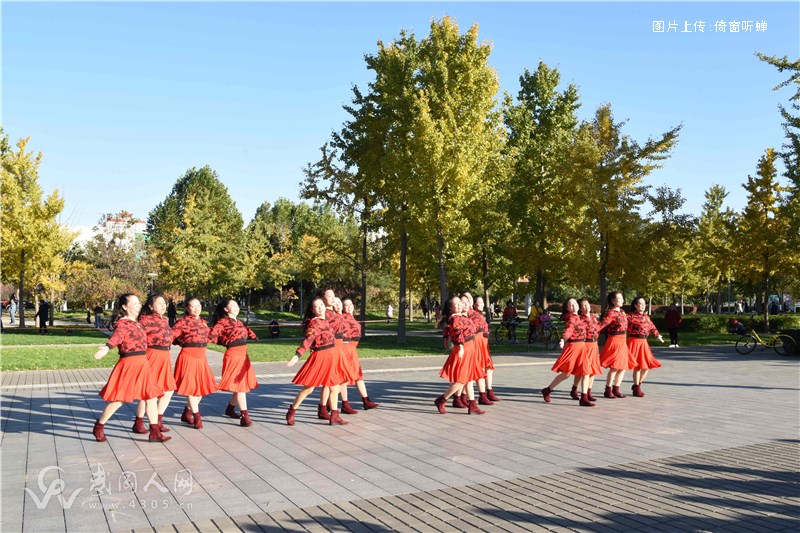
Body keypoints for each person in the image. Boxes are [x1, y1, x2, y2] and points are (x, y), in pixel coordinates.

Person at [91, 293, 170, 443]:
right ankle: (99, 425)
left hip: (143, 363)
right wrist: (107, 348)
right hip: (129, 364)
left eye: (139, 303)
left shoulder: (138, 323)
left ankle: (154, 432)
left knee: (151, 397)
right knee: (119, 399)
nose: (138, 305)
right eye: (134, 303)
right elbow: (117, 337)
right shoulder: (123, 323)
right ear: (125, 307)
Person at [285, 296, 346, 426]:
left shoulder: (327, 320)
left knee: (334, 387)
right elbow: (308, 340)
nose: (320, 308)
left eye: (321, 305)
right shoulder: (315, 323)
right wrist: (297, 356)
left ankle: (334, 415)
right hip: (320, 357)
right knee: (309, 388)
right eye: (317, 306)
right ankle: (292, 411)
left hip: (330, 356)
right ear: (313, 310)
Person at [209, 298, 259, 427]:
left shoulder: (239, 322)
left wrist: (254, 336)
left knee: (240, 385)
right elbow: (213, 334)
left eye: (237, 305)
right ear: (226, 309)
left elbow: (246, 331)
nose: (236, 307)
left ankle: (230, 408)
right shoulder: (223, 321)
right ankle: (245, 415)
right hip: (233, 355)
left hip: (243, 355)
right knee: (241, 386)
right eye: (233, 306)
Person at [434, 296, 485, 415]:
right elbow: (457, 333)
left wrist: (446, 337)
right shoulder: (455, 318)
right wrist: (461, 346)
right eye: (455, 304)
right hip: (464, 347)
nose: (459, 305)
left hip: (470, 346)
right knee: (462, 379)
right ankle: (442, 399)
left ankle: (472, 405)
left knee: (469, 378)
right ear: (451, 308)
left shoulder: (461, 316)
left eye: (459, 303)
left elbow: (449, 329)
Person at [133, 293, 176, 435]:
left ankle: (157, 420)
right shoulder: (145, 320)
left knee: (168, 390)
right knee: (148, 392)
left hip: (165, 357)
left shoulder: (164, 320)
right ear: (151, 306)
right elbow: (136, 337)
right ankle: (139, 422)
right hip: (151, 356)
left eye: (164, 303)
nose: (163, 305)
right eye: (159, 303)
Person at [172, 297, 217, 429]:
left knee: (200, 389)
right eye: (193, 306)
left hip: (201, 358)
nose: (196, 308)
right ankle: (197, 416)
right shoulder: (182, 322)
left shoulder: (203, 322)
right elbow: (171, 335)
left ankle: (187, 412)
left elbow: (210, 336)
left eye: (198, 305)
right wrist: (179, 342)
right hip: (188, 357)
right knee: (192, 389)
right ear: (187, 308)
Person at [541, 298, 593, 406]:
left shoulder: (580, 317)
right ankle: (548, 390)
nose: (573, 306)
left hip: (582, 346)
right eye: (570, 305)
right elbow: (569, 329)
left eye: (574, 303)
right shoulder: (571, 318)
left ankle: (583, 398)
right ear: (567, 308)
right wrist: (563, 339)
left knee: (586, 372)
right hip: (573, 347)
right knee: (566, 373)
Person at [340, 297, 380, 410]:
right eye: (345, 305)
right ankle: (345, 404)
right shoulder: (342, 318)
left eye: (350, 304)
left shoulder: (352, 317)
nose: (348, 307)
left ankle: (366, 400)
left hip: (352, 349)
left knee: (358, 376)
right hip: (345, 349)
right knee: (344, 378)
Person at [627, 296, 664, 397]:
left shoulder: (646, 317)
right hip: (634, 341)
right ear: (635, 305)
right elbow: (621, 324)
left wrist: (658, 335)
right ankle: (636, 387)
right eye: (640, 304)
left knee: (646, 366)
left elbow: (652, 327)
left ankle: (638, 384)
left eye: (644, 304)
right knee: (638, 366)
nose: (643, 306)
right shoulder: (630, 316)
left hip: (643, 342)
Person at [597, 291, 629, 399]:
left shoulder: (622, 312)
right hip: (615, 340)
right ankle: (608, 389)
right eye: (619, 298)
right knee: (615, 367)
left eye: (622, 298)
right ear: (612, 301)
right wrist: (592, 331)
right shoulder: (611, 313)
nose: (622, 300)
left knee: (622, 367)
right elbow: (602, 325)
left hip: (623, 340)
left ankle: (616, 389)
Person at [469, 294, 500, 404]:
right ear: (474, 304)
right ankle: (464, 394)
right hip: (477, 342)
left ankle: (489, 391)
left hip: (484, 342)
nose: (481, 304)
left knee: (489, 367)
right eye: (479, 303)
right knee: (478, 369)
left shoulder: (480, 315)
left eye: (482, 302)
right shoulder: (471, 314)